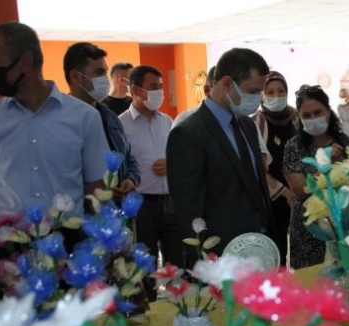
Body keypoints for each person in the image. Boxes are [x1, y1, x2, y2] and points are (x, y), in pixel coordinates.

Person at [0, 22, 109, 303]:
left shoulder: (84, 118)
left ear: (25, 62)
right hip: (2, 252)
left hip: (66, 247)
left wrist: (101, 248)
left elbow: (97, 188)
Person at [167, 48, 277, 265]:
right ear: (227, 83)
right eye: (252, 91)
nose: (258, 99)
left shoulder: (247, 125)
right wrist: (205, 260)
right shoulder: (188, 133)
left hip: (259, 248)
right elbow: (188, 208)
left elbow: (256, 186)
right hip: (220, 256)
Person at [120, 65, 180, 301]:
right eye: (153, 87)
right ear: (136, 90)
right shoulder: (121, 124)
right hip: (142, 205)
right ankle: (150, 309)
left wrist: (172, 164)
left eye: (161, 87)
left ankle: (178, 307)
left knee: (176, 264)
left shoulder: (167, 122)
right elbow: (119, 165)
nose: (159, 92)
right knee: (145, 265)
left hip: (171, 201)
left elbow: (179, 156)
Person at [283, 85, 349, 269]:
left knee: (345, 277)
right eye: (306, 115)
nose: (313, 118)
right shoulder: (294, 147)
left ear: (328, 112)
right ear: (299, 117)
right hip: (309, 228)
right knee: (312, 280)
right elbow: (300, 192)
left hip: (342, 224)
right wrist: (325, 165)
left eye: (318, 112)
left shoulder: (345, 143)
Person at [63, 42, 140, 201]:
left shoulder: (110, 116)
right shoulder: (61, 121)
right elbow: (58, 175)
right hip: (81, 212)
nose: (105, 79)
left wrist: (130, 178)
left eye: (105, 72)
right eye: (99, 73)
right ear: (76, 76)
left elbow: (128, 157)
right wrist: (97, 190)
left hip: (118, 210)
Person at [252, 71, 298, 265]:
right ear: (262, 95)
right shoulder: (258, 121)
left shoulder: (296, 117)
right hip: (272, 200)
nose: (276, 96)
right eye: (270, 92)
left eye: (281, 91)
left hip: (299, 196)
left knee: (300, 252)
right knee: (276, 254)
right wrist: (285, 192)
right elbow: (257, 165)